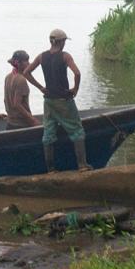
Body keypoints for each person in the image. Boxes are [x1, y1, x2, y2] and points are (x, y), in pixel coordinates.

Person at [24, 28, 91, 172]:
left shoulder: (41, 57)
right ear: (61, 42)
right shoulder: (65, 56)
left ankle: (51, 169)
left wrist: (41, 88)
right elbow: (77, 73)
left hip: (48, 101)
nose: (64, 44)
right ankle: (82, 165)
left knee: (48, 133)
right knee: (77, 130)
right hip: (64, 100)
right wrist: (75, 89)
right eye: (64, 41)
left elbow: (26, 72)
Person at [4, 50, 39, 129]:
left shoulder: (8, 77)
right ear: (19, 63)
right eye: (26, 61)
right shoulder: (21, 80)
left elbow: (5, 100)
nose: (29, 63)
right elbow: (17, 105)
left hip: (10, 123)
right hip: (21, 125)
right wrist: (33, 120)